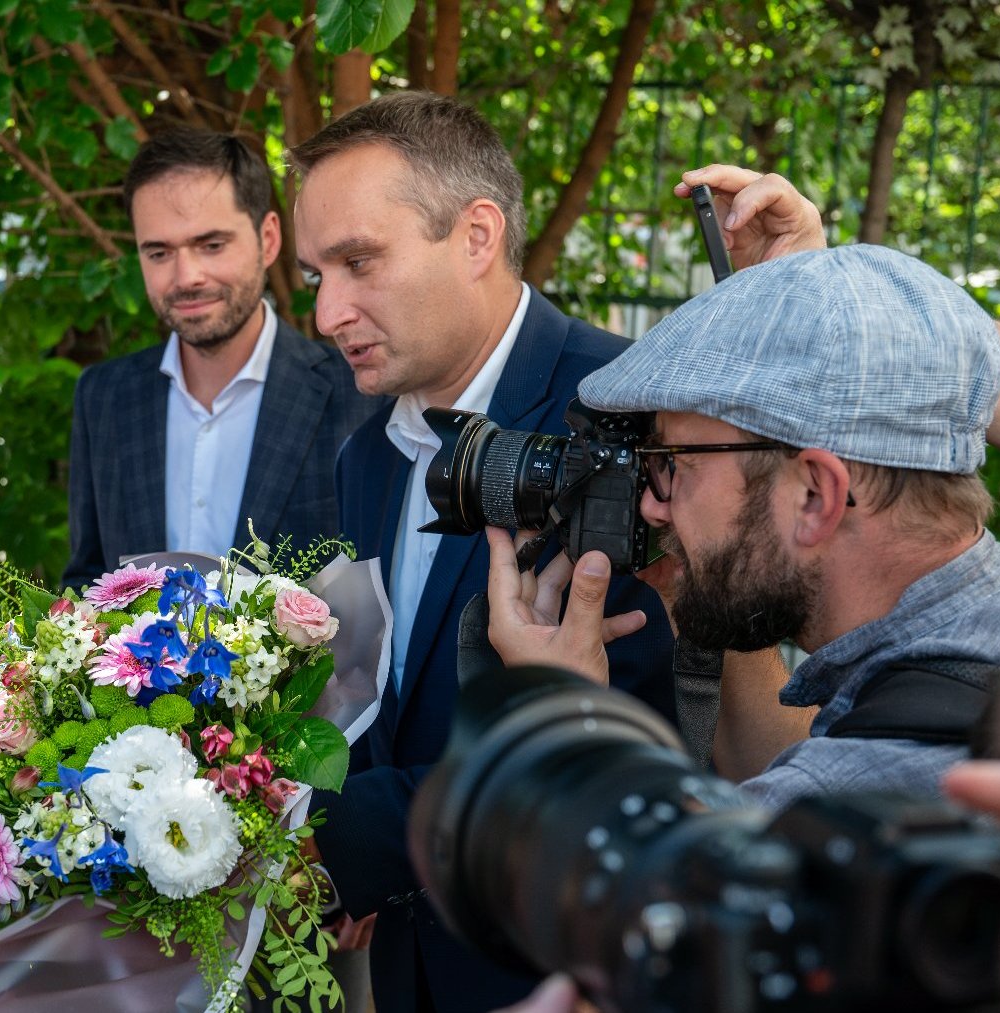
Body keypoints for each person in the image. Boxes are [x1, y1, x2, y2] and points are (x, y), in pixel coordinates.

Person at [285, 92, 683, 1013]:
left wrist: (324, 849)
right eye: (315, 274)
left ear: (475, 236)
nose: (327, 310)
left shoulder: (621, 414)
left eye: (358, 262)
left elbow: (617, 730)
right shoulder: (367, 452)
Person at [488, 242, 1000, 811]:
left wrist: (563, 717)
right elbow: (794, 759)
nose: (654, 507)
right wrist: (693, 585)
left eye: (674, 463)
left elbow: (648, 890)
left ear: (814, 496)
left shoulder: (853, 807)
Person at [63, 129, 383, 587]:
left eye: (211, 245)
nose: (187, 276)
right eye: (159, 252)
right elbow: (88, 580)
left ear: (268, 240)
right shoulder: (104, 397)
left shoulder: (361, 396)